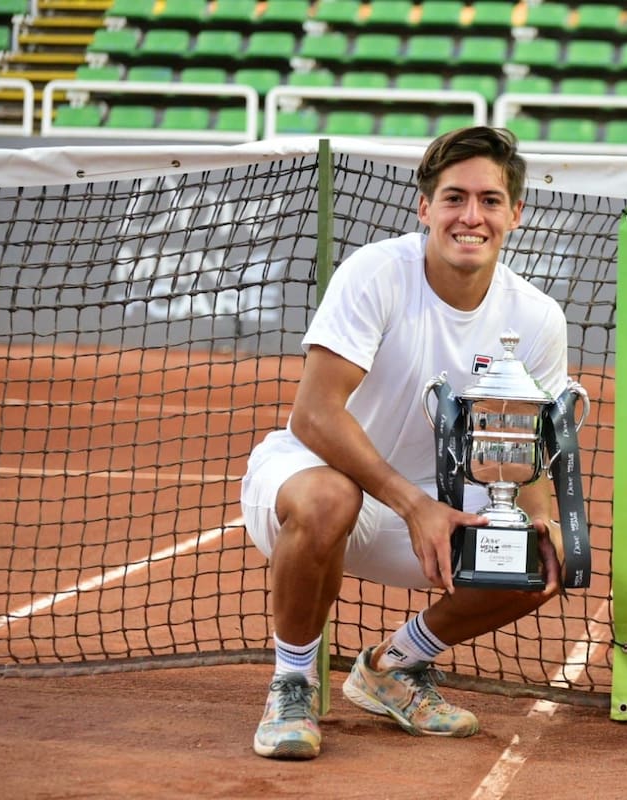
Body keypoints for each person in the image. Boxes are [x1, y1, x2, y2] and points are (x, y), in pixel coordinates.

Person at [240, 126, 569, 760]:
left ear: (515, 214)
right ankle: (294, 682)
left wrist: (543, 523)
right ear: (425, 208)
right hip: (312, 482)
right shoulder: (377, 274)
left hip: (431, 511)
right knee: (329, 498)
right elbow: (313, 415)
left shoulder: (537, 318)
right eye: (454, 198)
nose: (471, 216)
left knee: (537, 560)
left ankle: (393, 667)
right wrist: (411, 505)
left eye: (490, 201)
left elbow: (524, 451)